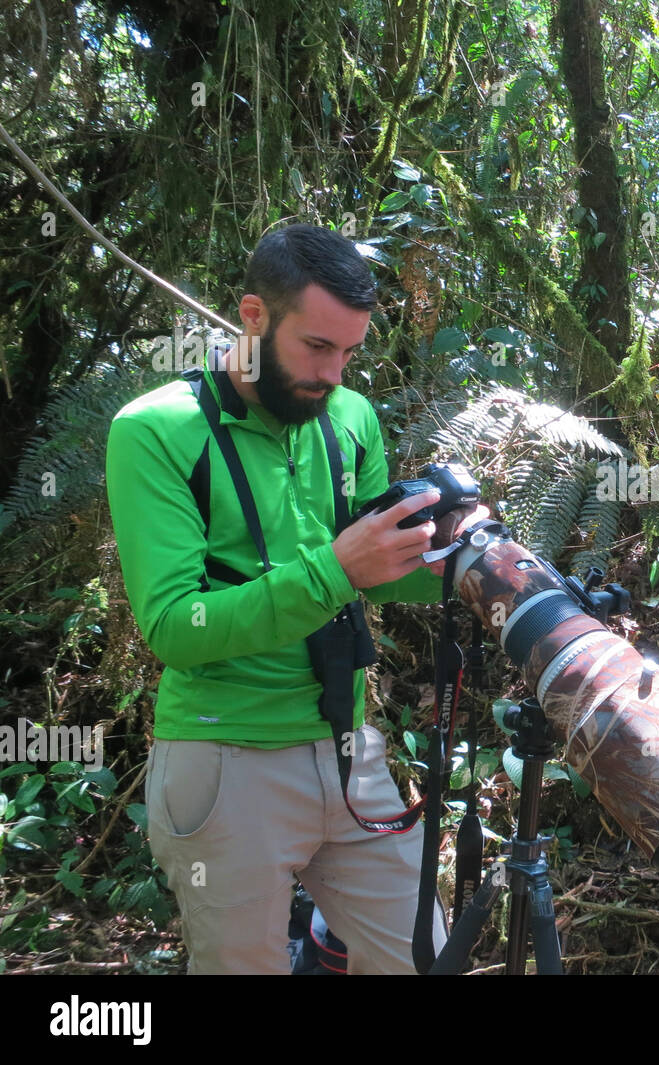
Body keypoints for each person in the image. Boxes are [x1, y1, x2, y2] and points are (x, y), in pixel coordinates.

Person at [106, 224, 485, 973]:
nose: (335, 374)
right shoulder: (154, 430)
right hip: (225, 758)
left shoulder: (348, 418)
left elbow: (374, 568)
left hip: (349, 750)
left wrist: (465, 559)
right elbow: (175, 626)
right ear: (253, 316)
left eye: (350, 352)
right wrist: (337, 569)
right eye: (317, 347)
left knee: (425, 961)